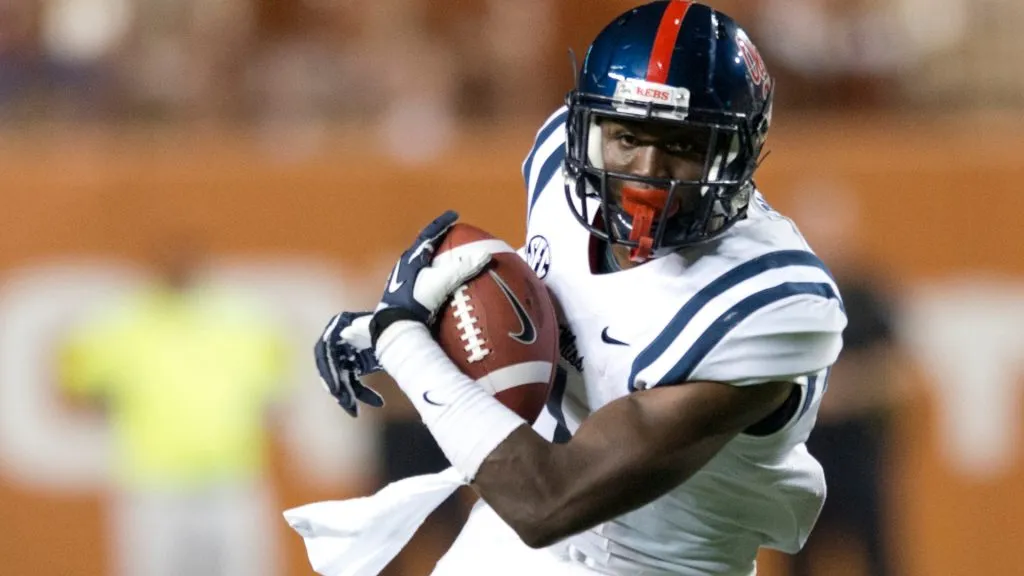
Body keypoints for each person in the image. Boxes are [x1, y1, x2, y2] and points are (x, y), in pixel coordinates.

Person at [314, 2, 846, 574]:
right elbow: (558, 303)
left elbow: (547, 501)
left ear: (738, 155)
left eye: (683, 146)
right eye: (627, 138)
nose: (647, 173)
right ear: (589, 129)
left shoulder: (768, 302)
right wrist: (438, 321)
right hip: (503, 539)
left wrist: (404, 344)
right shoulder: (561, 163)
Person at [59, 232, 291, 576]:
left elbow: (278, 390)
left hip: (230, 473)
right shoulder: (122, 319)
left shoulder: (243, 317)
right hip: (153, 478)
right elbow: (78, 384)